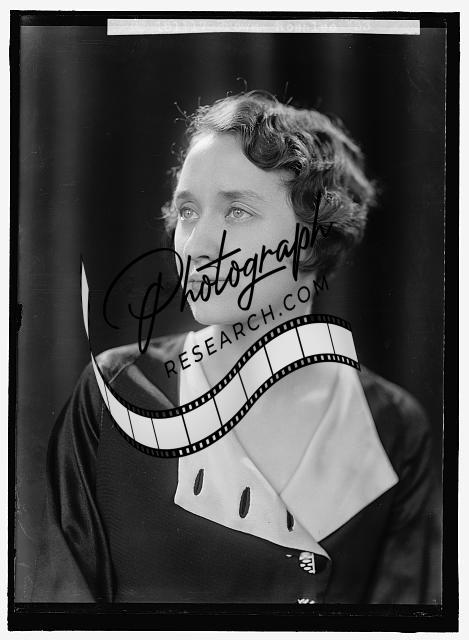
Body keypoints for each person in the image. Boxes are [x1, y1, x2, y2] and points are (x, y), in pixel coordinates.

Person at [32, 91, 441, 604]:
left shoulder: (392, 427)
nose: (197, 244)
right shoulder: (117, 392)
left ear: (315, 238)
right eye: (187, 211)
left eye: (238, 211)